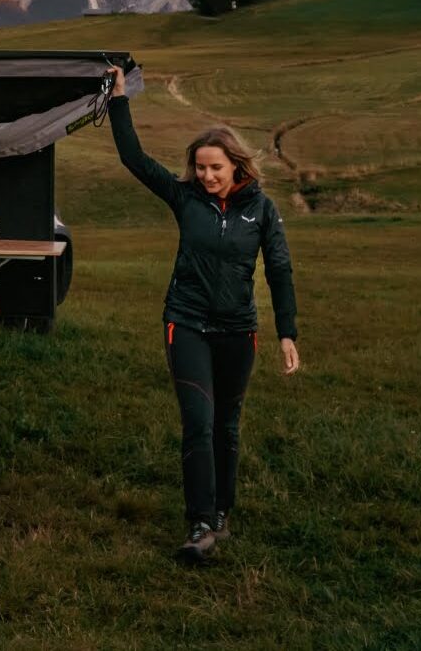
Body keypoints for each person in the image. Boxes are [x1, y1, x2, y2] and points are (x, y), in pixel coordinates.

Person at [106, 64, 299, 565]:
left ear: (236, 165)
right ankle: (199, 523)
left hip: (237, 330)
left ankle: (221, 515)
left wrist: (287, 333)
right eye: (200, 168)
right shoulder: (185, 197)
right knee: (198, 422)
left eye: (215, 167)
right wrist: (118, 97)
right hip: (186, 322)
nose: (207, 176)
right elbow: (133, 158)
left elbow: (279, 269)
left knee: (226, 427)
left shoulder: (262, 210)